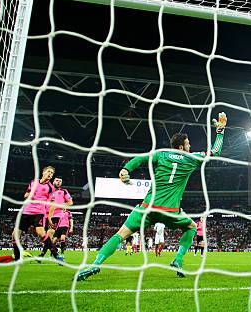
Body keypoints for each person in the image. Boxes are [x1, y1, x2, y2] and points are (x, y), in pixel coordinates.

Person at [77, 112, 226, 281]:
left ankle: (96, 264)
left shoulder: (161, 154)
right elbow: (215, 151)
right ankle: (178, 260)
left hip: (147, 207)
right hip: (171, 211)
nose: (190, 147)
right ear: (181, 148)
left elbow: (140, 158)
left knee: (120, 234)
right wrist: (220, 132)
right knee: (191, 227)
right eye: (188, 144)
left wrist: (126, 170)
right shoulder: (192, 158)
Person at [11, 166, 61, 261]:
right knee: (14, 235)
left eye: (52, 173)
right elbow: (25, 195)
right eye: (48, 172)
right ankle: (17, 258)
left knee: (41, 233)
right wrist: (32, 194)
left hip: (39, 212)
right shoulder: (33, 182)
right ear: (43, 172)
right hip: (26, 211)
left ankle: (55, 254)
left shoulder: (51, 188)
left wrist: (49, 218)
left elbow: (52, 204)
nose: (50, 174)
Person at [40, 177, 73, 258]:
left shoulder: (63, 191)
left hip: (57, 215)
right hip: (46, 215)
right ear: (53, 181)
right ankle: (55, 251)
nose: (58, 182)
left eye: (60, 181)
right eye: (57, 180)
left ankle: (43, 255)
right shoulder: (47, 190)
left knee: (49, 234)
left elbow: (70, 202)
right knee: (46, 237)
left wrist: (62, 205)